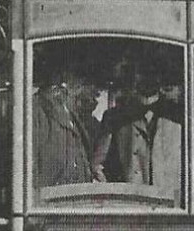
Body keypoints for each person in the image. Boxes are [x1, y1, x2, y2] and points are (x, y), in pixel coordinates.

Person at [92, 64, 186, 196]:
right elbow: (98, 166)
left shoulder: (180, 116)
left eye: (152, 73)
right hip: (129, 207)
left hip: (170, 208)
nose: (147, 78)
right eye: (141, 73)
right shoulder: (115, 118)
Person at [32, 63, 96, 188]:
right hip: (50, 200)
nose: (83, 89)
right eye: (81, 83)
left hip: (77, 197)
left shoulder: (70, 113)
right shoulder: (35, 110)